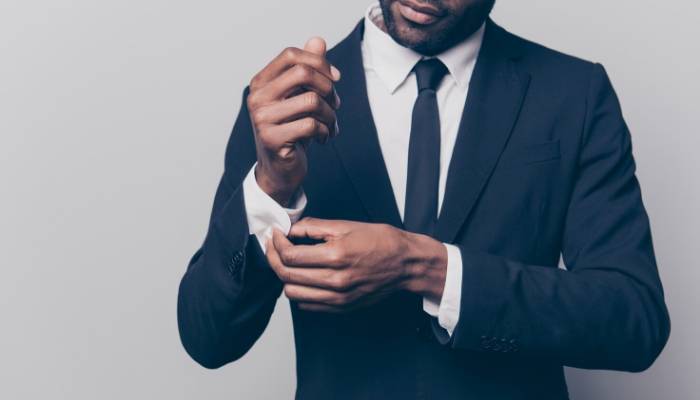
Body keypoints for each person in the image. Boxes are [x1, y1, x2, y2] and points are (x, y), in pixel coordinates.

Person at [177, 1, 671, 398]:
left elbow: (633, 320)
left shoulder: (574, 94)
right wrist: (270, 187)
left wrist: (428, 268)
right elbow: (208, 338)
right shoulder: (285, 104)